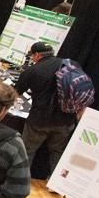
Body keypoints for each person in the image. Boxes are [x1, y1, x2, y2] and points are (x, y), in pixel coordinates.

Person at [15, 42, 79, 179]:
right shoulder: (71, 64)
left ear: (36, 55)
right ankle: (55, 182)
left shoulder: (32, 71)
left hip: (39, 120)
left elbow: (14, 93)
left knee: (27, 150)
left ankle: (20, 180)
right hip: (66, 119)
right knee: (58, 152)